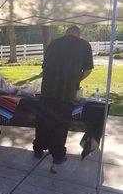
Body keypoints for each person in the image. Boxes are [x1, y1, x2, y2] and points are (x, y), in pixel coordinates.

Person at [33, 26, 94, 164]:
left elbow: (44, 67)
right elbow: (88, 69)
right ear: (79, 34)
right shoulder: (84, 45)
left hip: (47, 90)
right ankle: (58, 155)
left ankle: (38, 149)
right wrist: (75, 80)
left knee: (43, 121)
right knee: (61, 123)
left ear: (66, 33)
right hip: (66, 92)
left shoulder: (54, 43)